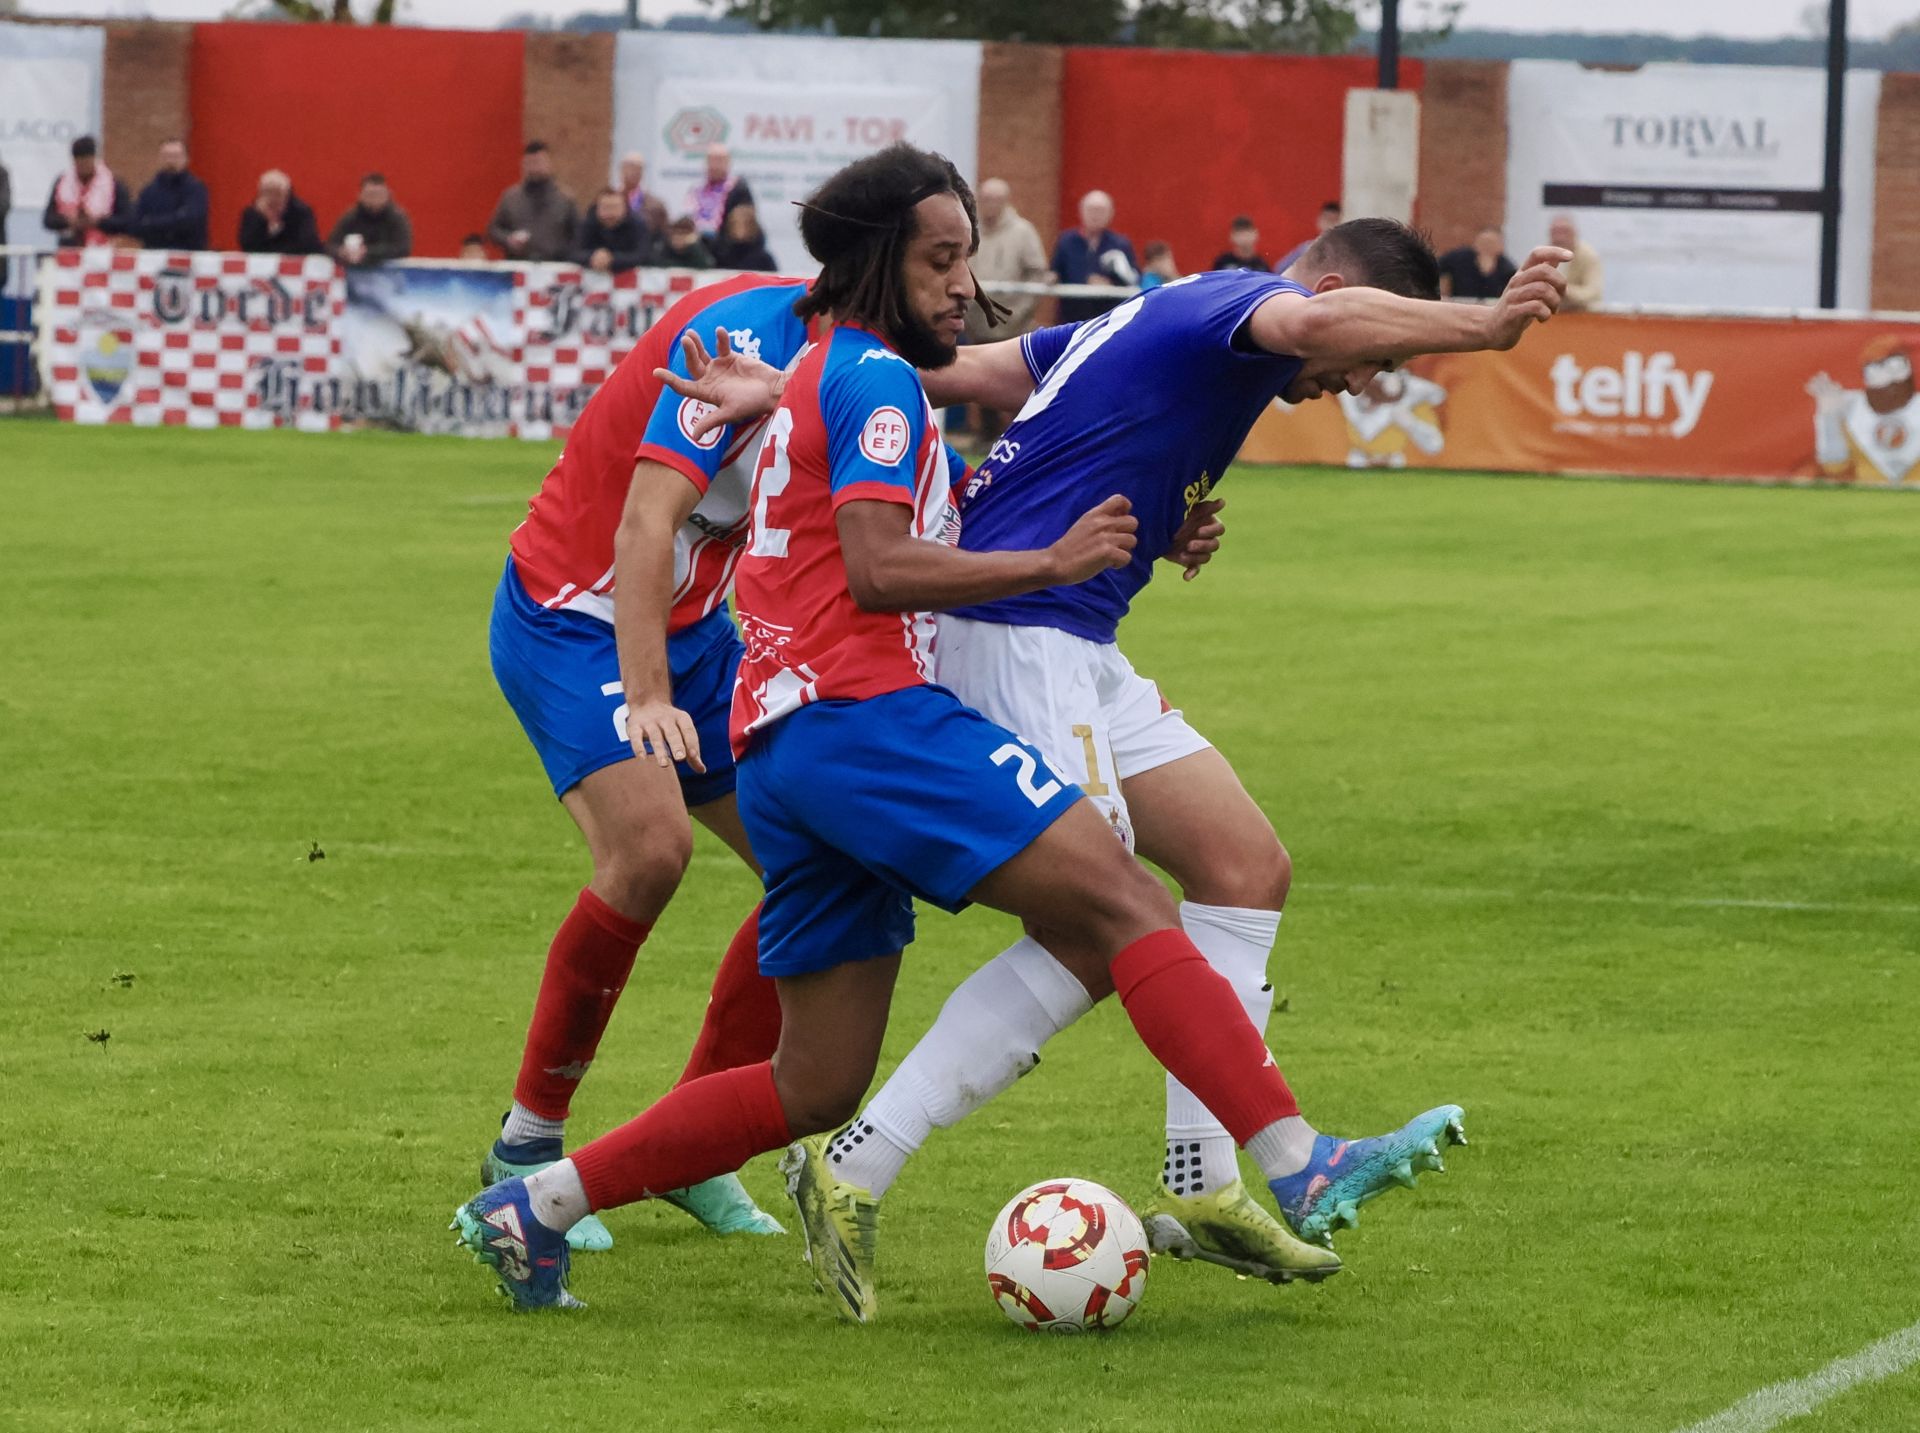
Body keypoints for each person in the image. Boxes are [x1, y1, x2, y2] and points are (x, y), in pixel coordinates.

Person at [454, 143, 1387, 1322]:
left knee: (816, 1078)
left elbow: (922, 500)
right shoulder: (822, 363)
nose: (967, 283)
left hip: (779, 715)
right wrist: (1050, 561)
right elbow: (835, 554)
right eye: (945, 259)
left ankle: (535, 1206)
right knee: (1121, 903)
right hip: (770, 688)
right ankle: (1296, 1158)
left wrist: (1135, 531)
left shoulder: (845, 371)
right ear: (878, 261)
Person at [658, 218, 1573, 1314]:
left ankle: (1210, 1182)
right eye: (1374, 363)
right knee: (1104, 925)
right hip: (1018, 630)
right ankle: (857, 1159)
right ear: (1329, 294)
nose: (1359, 382)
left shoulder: (1156, 316)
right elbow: (1316, 319)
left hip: (1079, 635)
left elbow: (956, 369)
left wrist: (795, 388)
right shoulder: (1241, 306)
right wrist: (1483, 322)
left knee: (1244, 865)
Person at [473, 268, 817, 1255]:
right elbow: (644, 525)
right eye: (939, 263)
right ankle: (524, 1147)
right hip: (576, 617)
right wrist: (652, 693)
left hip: (699, 626)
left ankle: (694, 1145)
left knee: (818, 862)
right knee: (651, 850)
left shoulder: (863, 358)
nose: (959, 288)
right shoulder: (732, 342)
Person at [106, 138, 207, 251]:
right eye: (167, 156)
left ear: (186, 159)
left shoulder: (195, 189)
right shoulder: (149, 191)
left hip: (187, 257)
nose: (171, 161)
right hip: (154, 258)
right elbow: (136, 223)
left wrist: (151, 223)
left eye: (176, 156)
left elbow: (191, 220)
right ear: (160, 159)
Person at [1051, 190, 1137, 322]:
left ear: (1111, 214)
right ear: (1081, 211)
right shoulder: (1066, 241)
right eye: (1091, 210)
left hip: (1107, 318)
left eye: (1101, 211)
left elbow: (1134, 280)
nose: (1095, 215)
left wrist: (1109, 285)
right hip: (1070, 318)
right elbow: (1054, 272)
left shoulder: (1120, 244)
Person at [488, 140, 578, 263]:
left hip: (553, 267)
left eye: (539, 162)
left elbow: (578, 235)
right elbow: (493, 230)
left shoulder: (566, 198)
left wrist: (563, 254)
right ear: (523, 165)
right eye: (530, 163)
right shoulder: (510, 197)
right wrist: (508, 239)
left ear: (549, 164)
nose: (534, 168)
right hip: (518, 267)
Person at [43, 136, 130, 249]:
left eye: (87, 161)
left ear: (94, 159)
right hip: (69, 249)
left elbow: (127, 220)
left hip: (103, 251)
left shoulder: (113, 184)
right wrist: (68, 221)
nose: (83, 167)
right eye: (79, 162)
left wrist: (98, 222)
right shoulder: (62, 183)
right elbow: (48, 220)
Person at [326, 173, 412, 267]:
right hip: (353, 271)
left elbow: (403, 248)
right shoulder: (351, 217)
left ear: (388, 194)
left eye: (379, 194)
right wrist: (341, 252)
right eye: (370, 194)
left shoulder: (397, 217)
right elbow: (330, 245)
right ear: (360, 196)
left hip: (388, 272)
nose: (375, 199)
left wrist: (367, 252)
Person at [236, 170, 322, 256]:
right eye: (268, 192)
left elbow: (308, 244)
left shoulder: (301, 212)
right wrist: (262, 220)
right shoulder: (252, 213)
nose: (273, 197)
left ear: (287, 194)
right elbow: (247, 245)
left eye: (278, 193)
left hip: (292, 263)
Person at [571, 187, 647, 273]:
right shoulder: (587, 223)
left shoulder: (637, 225)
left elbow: (641, 255)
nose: (610, 213)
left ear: (625, 209)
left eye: (615, 208)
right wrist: (592, 257)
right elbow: (574, 252)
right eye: (605, 208)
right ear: (597, 208)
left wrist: (612, 259)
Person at [686, 142, 753, 236]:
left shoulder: (738, 190)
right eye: (711, 161)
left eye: (719, 161)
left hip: (726, 244)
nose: (714, 166)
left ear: (728, 163)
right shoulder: (697, 190)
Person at [1438, 226, 1517, 301]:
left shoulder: (1508, 268)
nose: (1486, 247)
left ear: (1500, 246)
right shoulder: (1458, 258)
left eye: (1490, 243)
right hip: (1460, 305)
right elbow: (1435, 268)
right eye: (1483, 242)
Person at [1549, 214, 1603, 311]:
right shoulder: (1543, 256)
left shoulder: (1589, 256)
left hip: (1583, 314)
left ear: (1575, 233)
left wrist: (1564, 290)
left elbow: (1593, 293)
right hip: (1552, 314)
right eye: (1555, 232)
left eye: (1565, 232)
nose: (1560, 238)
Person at [1275, 201, 1340, 274]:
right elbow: (1280, 268)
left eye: (1333, 220)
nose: (1329, 224)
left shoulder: (1343, 251)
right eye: (1326, 219)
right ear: (1318, 220)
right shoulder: (1306, 248)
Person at [709, 204, 777, 272]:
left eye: (746, 224)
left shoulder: (763, 259)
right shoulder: (718, 255)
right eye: (735, 224)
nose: (740, 229)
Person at [650, 215, 714, 270]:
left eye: (683, 234)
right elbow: (657, 263)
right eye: (676, 233)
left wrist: (694, 246)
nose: (679, 237)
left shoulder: (696, 248)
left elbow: (705, 266)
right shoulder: (664, 247)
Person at [617, 151, 652, 216]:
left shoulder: (653, 205)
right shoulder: (609, 200)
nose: (635, 172)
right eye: (631, 167)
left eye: (639, 169)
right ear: (621, 170)